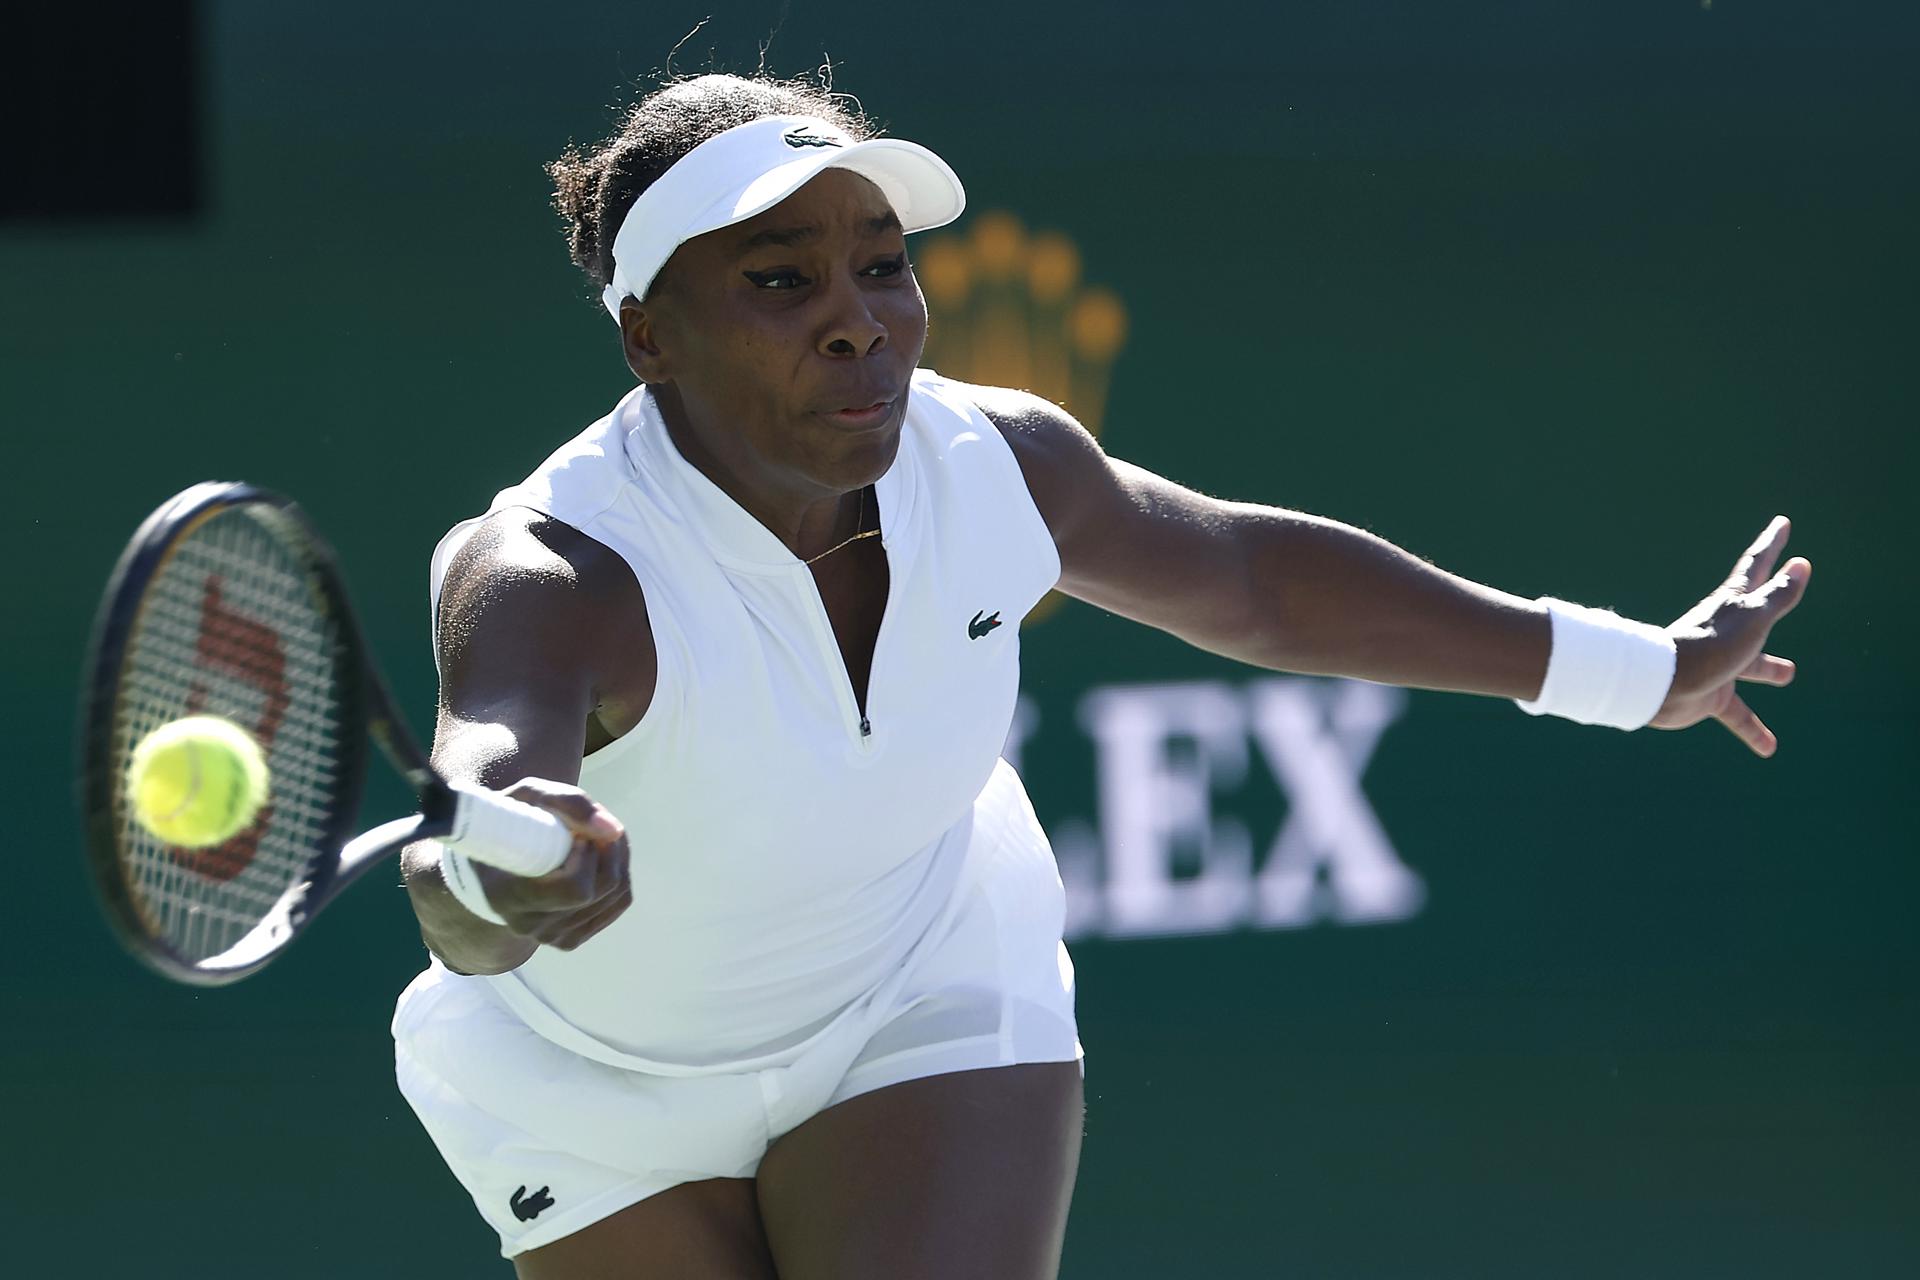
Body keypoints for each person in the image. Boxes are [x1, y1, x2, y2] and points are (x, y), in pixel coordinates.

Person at [391, 71, 1811, 1280]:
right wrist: (495, 882)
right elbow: (483, 800)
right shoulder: (556, 573)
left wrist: (1644, 671)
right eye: (781, 281)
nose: (860, 321)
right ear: (651, 336)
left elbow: (1250, 584)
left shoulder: (1000, 466)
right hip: (592, 1089)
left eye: (883, 265)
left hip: (914, 986)